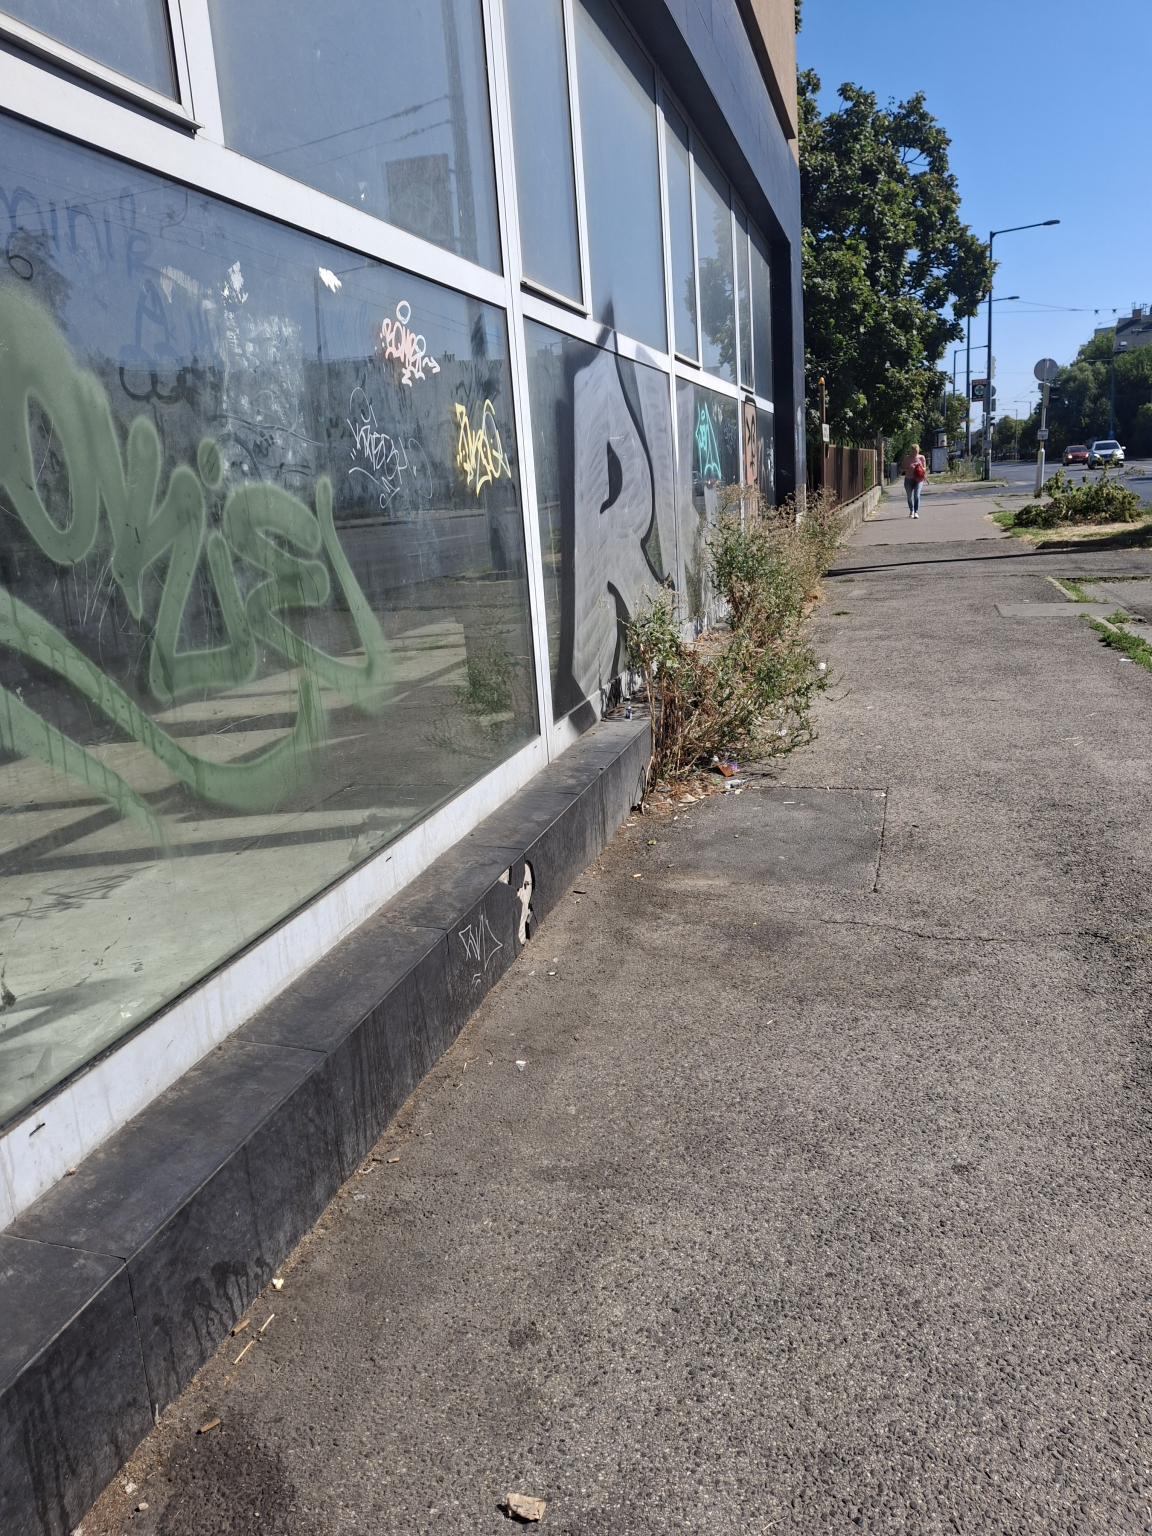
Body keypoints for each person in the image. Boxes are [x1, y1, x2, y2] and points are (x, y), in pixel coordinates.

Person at [901, 443, 928, 517]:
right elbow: (901, 469)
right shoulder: (907, 458)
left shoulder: (922, 457)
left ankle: (916, 512)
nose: (914, 453)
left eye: (916, 451)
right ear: (911, 451)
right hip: (909, 479)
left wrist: (920, 467)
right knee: (909, 496)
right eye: (913, 451)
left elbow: (925, 469)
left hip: (919, 479)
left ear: (918, 450)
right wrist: (908, 468)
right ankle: (911, 510)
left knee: (917, 495)